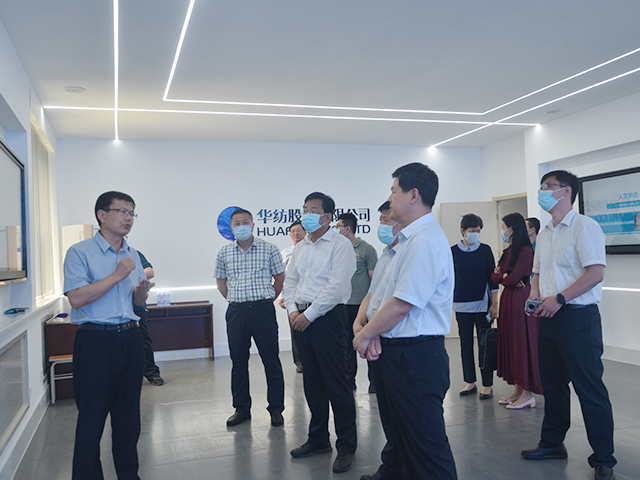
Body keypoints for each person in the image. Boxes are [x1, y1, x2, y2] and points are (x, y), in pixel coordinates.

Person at [353, 163, 458, 480]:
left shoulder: (424, 241)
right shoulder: (405, 243)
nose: (390, 198)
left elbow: (402, 304)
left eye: (394, 191)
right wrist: (370, 330)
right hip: (396, 351)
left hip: (416, 356)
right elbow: (381, 297)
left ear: (413, 195)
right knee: (401, 436)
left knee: (427, 450)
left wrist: (363, 336)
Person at [522, 170, 615, 480]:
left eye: (548, 187)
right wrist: (535, 293)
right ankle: (552, 443)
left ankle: (604, 457)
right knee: (553, 386)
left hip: (578, 318)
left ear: (566, 191)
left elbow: (595, 273)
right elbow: (537, 271)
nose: (543, 192)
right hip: (548, 318)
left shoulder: (585, 227)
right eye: (542, 187)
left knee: (589, 388)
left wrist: (560, 298)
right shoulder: (546, 232)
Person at [63, 191, 154, 480]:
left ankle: (129, 475)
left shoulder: (132, 254)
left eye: (132, 213)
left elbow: (134, 303)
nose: (128, 218)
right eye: (122, 212)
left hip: (130, 339)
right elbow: (76, 298)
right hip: (96, 342)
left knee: (129, 420)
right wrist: (116, 276)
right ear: (102, 215)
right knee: (91, 421)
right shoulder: (79, 253)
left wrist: (140, 295)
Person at [283, 192, 357, 474]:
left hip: (328, 319)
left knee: (337, 384)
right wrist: (293, 311)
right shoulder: (302, 246)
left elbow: (336, 287)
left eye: (313, 210)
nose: (307, 215)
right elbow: (291, 281)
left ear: (327, 217)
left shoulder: (340, 245)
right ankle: (318, 439)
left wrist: (309, 315)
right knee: (312, 383)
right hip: (301, 318)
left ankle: (346, 446)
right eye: (305, 209)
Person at [215, 208, 286, 428]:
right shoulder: (224, 252)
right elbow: (221, 282)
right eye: (237, 223)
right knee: (238, 362)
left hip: (263, 310)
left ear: (253, 225)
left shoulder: (269, 248)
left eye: (245, 222)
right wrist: (236, 299)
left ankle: (276, 409)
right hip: (236, 312)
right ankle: (241, 409)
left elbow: (280, 278)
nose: (241, 226)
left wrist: (268, 299)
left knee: (271, 360)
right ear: (231, 228)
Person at [353, 201, 406, 480]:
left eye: (388, 219)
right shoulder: (386, 254)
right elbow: (372, 294)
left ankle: (402, 469)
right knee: (387, 411)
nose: (383, 225)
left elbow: (399, 304)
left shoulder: (410, 252)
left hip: (400, 344)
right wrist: (358, 322)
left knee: (405, 417)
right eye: (381, 220)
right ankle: (392, 467)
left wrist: (368, 332)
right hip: (379, 340)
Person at [491, 213, 543, 409]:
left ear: (512, 229)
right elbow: (495, 276)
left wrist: (504, 275)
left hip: (520, 299)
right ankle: (517, 390)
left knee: (522, 344)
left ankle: (527, 393)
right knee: (511, 343)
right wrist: (504, 275)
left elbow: (512, 278)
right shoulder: (508, 251)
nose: (503, 230)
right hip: (509, 299)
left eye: (504, 226)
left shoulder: (526, 251)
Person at [451, 214, 499, 399]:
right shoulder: (452, 252)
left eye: (478, 231)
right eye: (472, 230)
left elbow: (492, 280)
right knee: (465, 345)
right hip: (461, 305)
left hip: (482, 305)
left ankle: (487, 384)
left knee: (485, 344)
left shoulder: (485, 250)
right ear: (463, 231)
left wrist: (494, 304)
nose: (475, 234)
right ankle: (469, 381)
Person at [336, 212, 378, 391]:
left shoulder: (366, 249)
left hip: (362, 306)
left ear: (348, 228)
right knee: (346, 346)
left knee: (368, 342)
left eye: (338, 226)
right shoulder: (337, 248)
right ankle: (349, 381)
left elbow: (374, 280)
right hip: (343, 305)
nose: (336, 230)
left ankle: (374, 382)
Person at [278, 220, 306, 373]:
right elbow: (281, 277)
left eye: (299, 230)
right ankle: (299, 362)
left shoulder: (311, 250)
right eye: (293, 231)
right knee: (295, 330)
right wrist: (281, 296)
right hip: (292, 298)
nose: (296, 234)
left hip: (309, 296)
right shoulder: (286, 253)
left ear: (305, 232)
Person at [134, 250, 164, 386]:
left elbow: (150, 272)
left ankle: (152, 373)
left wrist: (126, 276)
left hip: (137, 307)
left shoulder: (133, 253)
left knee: (143, 340)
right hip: (114, 310)